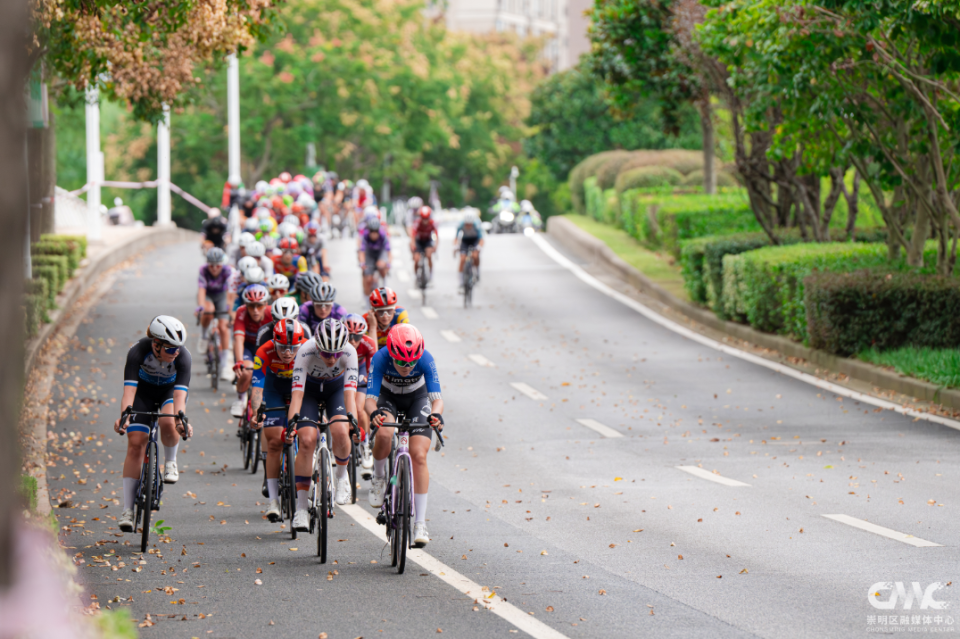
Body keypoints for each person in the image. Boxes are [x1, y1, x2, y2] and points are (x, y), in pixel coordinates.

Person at [114, 316, 194, 532]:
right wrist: (124, 417)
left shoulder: (183, 357)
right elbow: (129, 392)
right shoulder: (138, 351)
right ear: (156, 345)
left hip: (169, 392)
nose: (175, 352)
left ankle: (171, 461)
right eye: (170, 348)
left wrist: (180, 420)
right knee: (135, 444)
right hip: (143, 393)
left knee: (168, 421)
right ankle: (128, 510)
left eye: (178, 347)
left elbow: (180, 397)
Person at [366, 324, 443, 548]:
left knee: (418, 455)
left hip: (417, 399)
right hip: (387, 398)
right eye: (400, 362)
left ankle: (420, 523)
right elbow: (369, 399)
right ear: (391, 354)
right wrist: (374, 413)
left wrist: (436, 415)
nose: (406, 367)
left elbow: (437, 398)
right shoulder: (380, 358)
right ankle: (379, 477)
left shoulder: (426, 358)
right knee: (384, 432)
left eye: (411, 362)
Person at [287, 319, 359, 530]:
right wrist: (292, 424)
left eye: (337, 353)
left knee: (341, 430)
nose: (332, 358)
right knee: (307, 439)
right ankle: (301, 508)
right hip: (308, 392)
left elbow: (350, 395)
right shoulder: (305, 351)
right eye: (327, 353)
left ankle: (342, 476)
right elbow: (297, 395)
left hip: (336, 391)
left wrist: (353, 422)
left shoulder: (350, 352)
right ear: (318, 346)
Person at [250, 319, 308, 522]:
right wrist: (256, 414)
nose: (288, 352)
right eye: (282, 347)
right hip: (273, 389)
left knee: (308, 435)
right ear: (274, 342)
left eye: (293, 348)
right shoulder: (264, 351)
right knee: (274, 441)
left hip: (300, 389)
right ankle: (273, 501)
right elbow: (257, 388)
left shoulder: (308, 349)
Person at [342, 313, 377, 478]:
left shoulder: (368, 344)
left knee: (358, 408)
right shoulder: (337, 343)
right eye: (349, 336)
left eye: (357, 337)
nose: (353, 341)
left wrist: (367, 379)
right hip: (342, 370)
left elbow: (373, 371)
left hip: (361, 370)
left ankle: (365, 445)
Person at [231, 284, 273, 417]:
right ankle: (240, 399)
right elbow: (239, 339)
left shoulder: (272, 313)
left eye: (259, 306)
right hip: (247, 348)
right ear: (246, 305)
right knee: (246, 371)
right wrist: (239, 361)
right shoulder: (241, 312)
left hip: (265, 349)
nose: (255, 310)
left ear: (266, 304)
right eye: (251, 306)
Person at [196, 248, 233, 374]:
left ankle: (225, 362)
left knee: (223, 327)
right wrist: (201, 306)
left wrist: (229, 306)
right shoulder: (203, 270)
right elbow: (201, 289)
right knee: (209, 310)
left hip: (222, 296)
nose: (215, 268)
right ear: (208, 263)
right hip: (208, 295)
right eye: (211, 265)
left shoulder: (227, 270)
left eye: (218, 265)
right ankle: (204, 336)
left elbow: (230, 290)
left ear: (222, 264)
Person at [358, 216, 391, 298]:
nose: (374, 234)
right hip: (370, 254)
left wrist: (388, 263)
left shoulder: (383, 235)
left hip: (380, 252)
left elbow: (388, 251)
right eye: (372, 232)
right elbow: (362, 251)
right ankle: (367, 299)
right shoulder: (365, 236)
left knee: (381, 265)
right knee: (368, 279)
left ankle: (384, 282)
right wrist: (362, 263)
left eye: (376, 232)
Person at [454, 212, 485, 289]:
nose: (468, 226)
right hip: (465, 241)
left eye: (470, 224)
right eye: (466, 224)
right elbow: (456, 237)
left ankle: (476, 272)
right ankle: (461, 282)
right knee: (462, 259)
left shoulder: (476, 225)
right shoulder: (460, 225)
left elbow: (481, 239)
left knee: (475, 256)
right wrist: (456, 246)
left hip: (475, 240)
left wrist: (479, 247)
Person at [410, 206, 439, 280]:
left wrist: (435, 246)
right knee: (416, 259)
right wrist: (413, 245)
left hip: (427, 241)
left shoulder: (432, 223)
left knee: (429, 256)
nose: (425, 221)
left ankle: (431, 275)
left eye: (427, 218)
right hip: (419, 241)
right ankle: (416, 275)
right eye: (423, 218)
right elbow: (413, 236)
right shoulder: (417, 223)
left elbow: (436, 236)